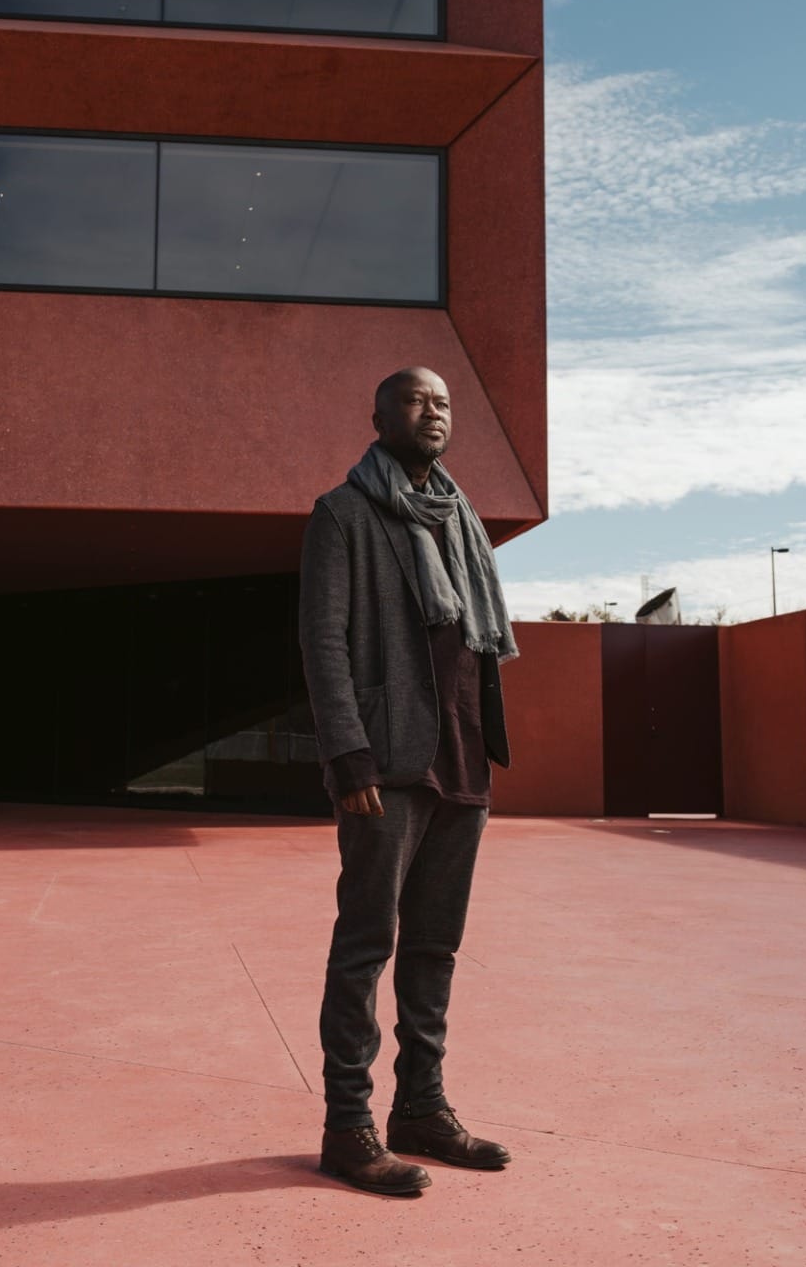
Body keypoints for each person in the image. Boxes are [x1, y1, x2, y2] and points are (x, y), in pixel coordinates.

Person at [298, 366, 518, 1195]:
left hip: (462, 756)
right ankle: (348, 1126)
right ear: (379, 412)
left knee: (435, 945)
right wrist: (347, 756)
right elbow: (324, 642)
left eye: (446, 403)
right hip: (386, 762)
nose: (435, 412)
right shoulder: (344, 514)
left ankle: (421, 1109)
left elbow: (481, 638)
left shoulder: (462, 518)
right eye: (418, 400)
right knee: (366, 944)